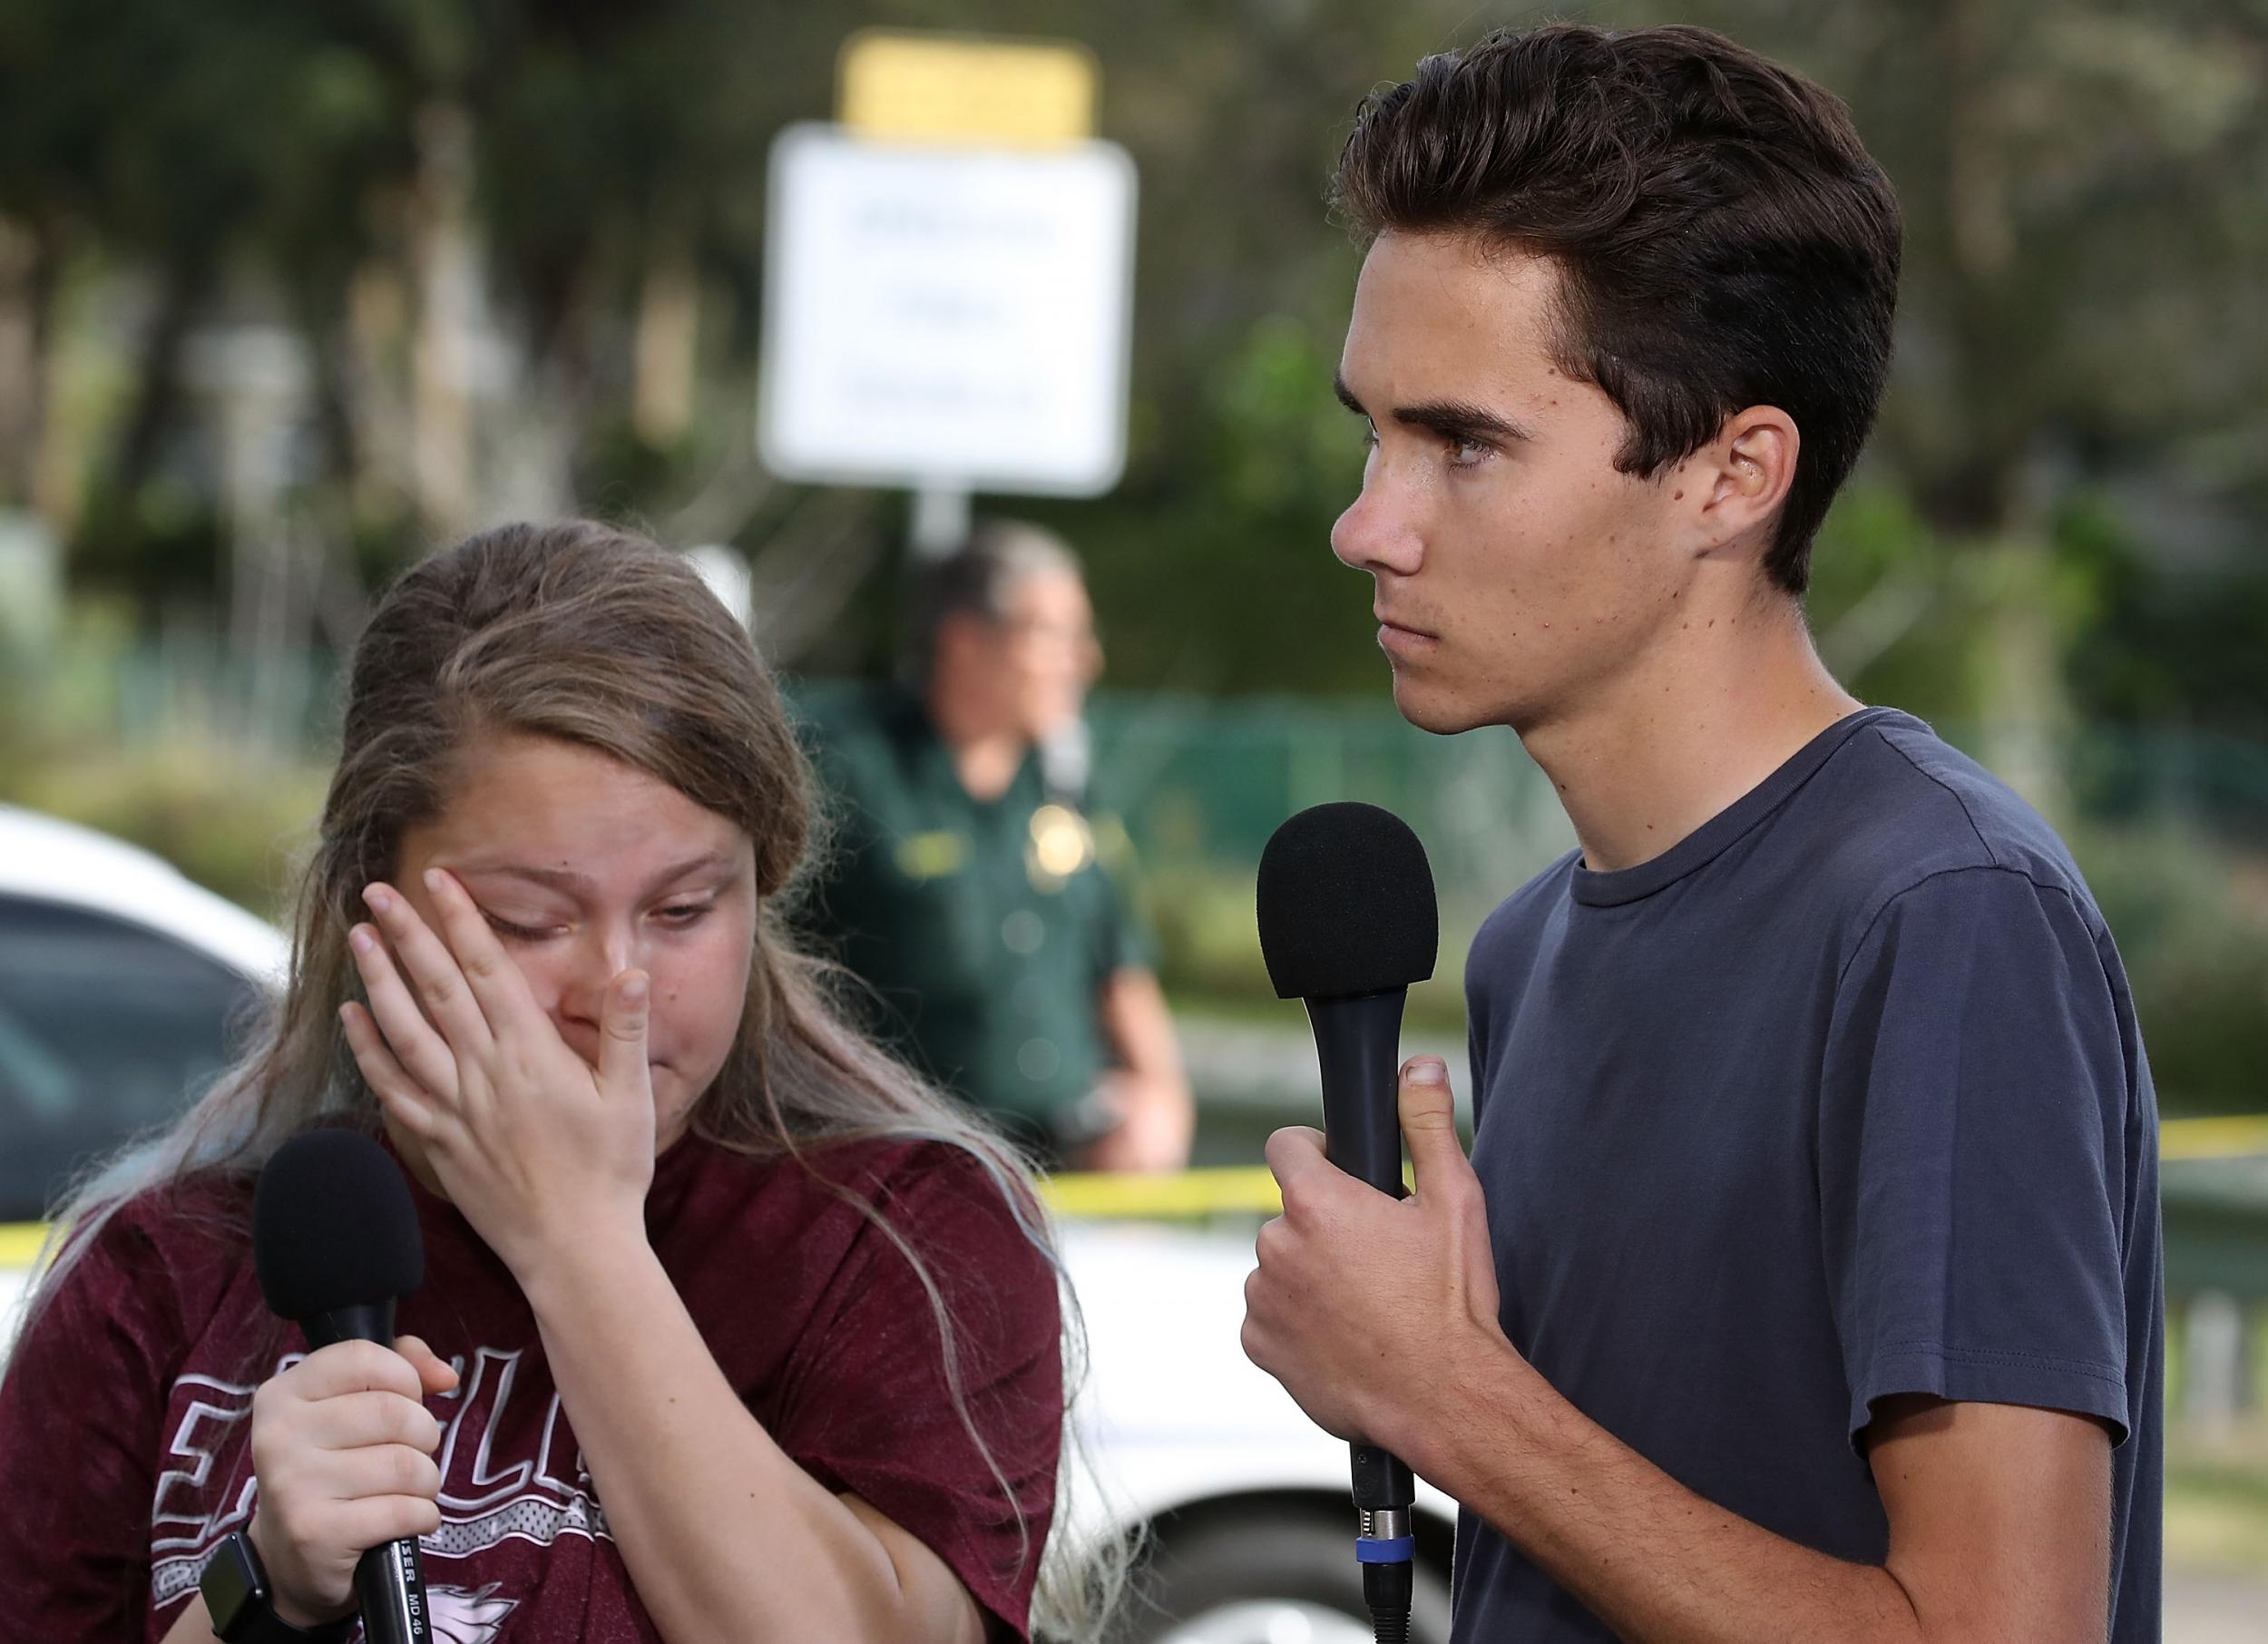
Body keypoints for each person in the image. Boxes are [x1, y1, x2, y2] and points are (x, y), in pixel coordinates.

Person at [1240, 24, 2160, 1644]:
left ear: (1735, 475)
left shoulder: (1944, 916)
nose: (1365, 523)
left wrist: (1456, 1402)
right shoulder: (1532, 946)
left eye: (1463, 443)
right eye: (1372, 433)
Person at [0, 522, 1077, 1643]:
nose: (617, 988)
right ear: (369, 902)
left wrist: (577, 1240)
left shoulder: (897, 1232)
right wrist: (262, 1586)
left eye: (684, 910)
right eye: (529, 922)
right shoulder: (161, 1272)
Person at [799, 521, 1193, 1174]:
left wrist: (1161, 1101)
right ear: (964, 642)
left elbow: (1118, 961)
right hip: (897, 1166)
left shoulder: (1061, 785)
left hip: (1071, 1170)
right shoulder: (845, 769)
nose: (1084, 659)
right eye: (1055, 636)